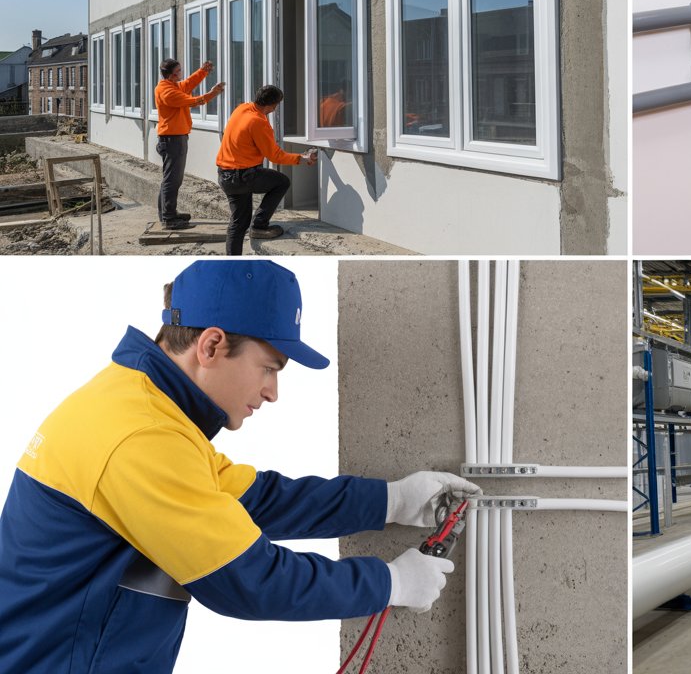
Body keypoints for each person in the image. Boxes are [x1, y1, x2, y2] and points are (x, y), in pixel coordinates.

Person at [0, 260, 480, 673]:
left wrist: (392, 500)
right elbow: (250, 580)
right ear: (210, 346)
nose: (272, 392)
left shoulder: (144, 409)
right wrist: (390, 583)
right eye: (268, 368)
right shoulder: (141, 438)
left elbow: (254, 500)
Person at [216, 84, 317, 255]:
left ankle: (233, 261)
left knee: (238, 223)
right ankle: (260, 225)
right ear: (272, 105)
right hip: (243, 176)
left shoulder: (242, 108)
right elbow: (275, 156)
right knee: (281, 182)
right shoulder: (258, 122)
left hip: (225, 174)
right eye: (276, 105)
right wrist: (302, 158)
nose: (276, 109)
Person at [153, 58, 225, 230]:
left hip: (173, 139)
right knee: (172, 180)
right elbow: (192, 101)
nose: (182, 72)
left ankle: (167, 213)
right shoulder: (167, 92)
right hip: (173, 140)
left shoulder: (172, 86)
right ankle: (169, 218)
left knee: (170, 179)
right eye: (179, 70)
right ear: (171, 75)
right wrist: (212, 94)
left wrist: (203, 71)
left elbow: (189, 83)